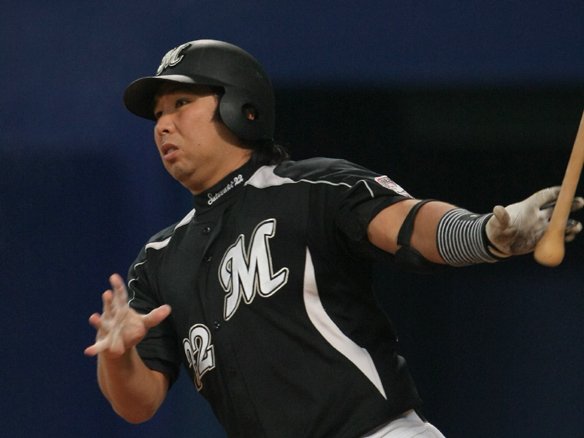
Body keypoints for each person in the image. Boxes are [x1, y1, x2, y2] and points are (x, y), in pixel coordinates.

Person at [85, 39, 583, 437]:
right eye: (158, 115)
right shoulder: (158, 260)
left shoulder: (310, 188)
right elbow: (138, 404)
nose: (163, 125)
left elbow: (409, 226)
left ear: (240, 105)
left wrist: (484, 234)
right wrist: (117, 355)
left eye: (181, 103)